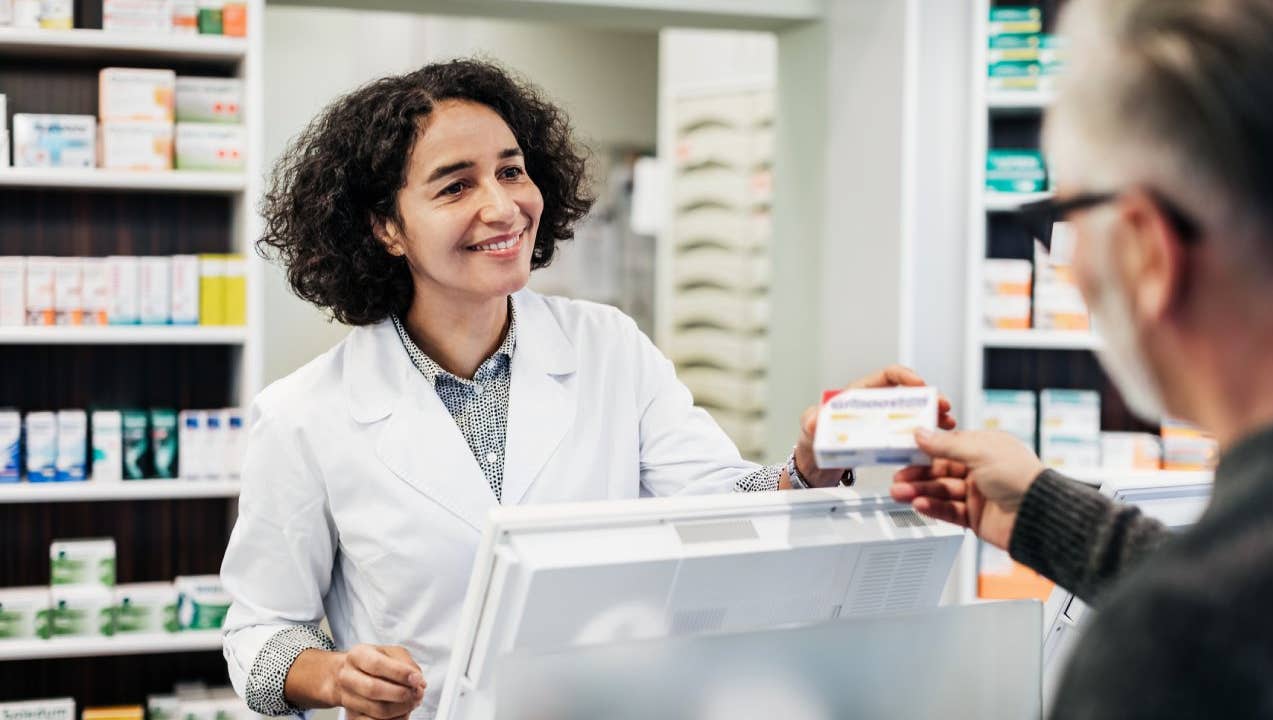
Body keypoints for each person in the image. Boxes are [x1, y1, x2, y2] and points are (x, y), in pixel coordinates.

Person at [220, 59, 954, 720]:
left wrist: (809, 465)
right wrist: (334, 676)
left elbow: (722, 512)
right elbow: (259, 632)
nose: (503, 207)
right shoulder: (305, 414)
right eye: (456, 185)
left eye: (511, 171)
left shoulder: (609, 348)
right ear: (386, 227)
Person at [893, 0, 1273, 717]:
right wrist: (1049, 513)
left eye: (1066, 223)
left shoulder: (1168, 649)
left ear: (1145, 252)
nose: (1067, 268)